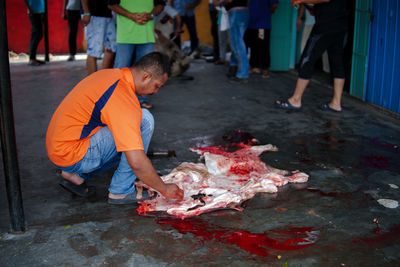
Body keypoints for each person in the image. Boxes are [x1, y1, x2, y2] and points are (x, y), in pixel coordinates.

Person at [46, 52, 184, 204]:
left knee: (130, 132)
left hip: (60, 149)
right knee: (144, 121)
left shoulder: (111, 75)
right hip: (72, 153)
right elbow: (136, 161)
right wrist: (164, 188)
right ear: (146, 77)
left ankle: (74, 176)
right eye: (157, 86)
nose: (156, 91)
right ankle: (121, 191)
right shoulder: (123, 97)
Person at [276, 0, 348, 112]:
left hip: (326, 25)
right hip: (340, 24)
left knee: (307, 58)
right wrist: (316, 9)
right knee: (337, 61)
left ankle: (295, 99)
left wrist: (302, 0)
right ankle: (336, 103)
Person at [108, 0, 162, 109]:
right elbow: (111, 4)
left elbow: (161, 4)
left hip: (146, 35)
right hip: (125, 35)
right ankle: (115, 99)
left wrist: (150, 15)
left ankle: (141, 100)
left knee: (147, 71)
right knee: (121, 69)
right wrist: (131, 15)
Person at [217, 0, 250, 83]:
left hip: (236, 12)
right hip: (242, 11)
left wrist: (220, 2)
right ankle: (233, 68)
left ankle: (243, 74)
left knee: (237, 44)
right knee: (237, 43)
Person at [81, 0, 116, 74]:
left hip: (109, 14)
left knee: (113, 48)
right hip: (94, 15)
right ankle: (93, 82)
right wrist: (86, 12)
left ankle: (102, 77)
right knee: (93, 51)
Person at [245, 0, 278, 78]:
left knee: (263, 46)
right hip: (250, 23)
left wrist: (267, 12)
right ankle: (254, 66)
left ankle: (265, 69)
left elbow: (275, 4)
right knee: (253, 46)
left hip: (262, 24)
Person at [23, 0, 45, 66]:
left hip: (40, 11)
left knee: (39, 34)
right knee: (36, 35)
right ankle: (32, 59)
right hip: (33, 12)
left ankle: (33, 58)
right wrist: (29, 9)